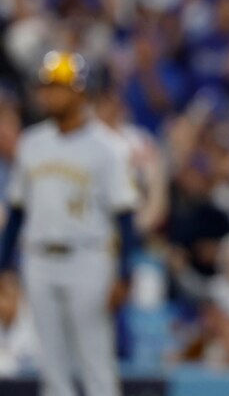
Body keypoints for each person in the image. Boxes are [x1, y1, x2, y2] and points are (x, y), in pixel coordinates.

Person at [0, 51, 138, 396]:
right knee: (52, 366)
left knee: (96, 364)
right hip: (39, 259)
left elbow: (125, 216)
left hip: (88, 258)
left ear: (81, 92)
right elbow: (17, 212)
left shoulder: (109, 147)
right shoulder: (32, 143)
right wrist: (3, 266)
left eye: (58, 87)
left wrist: (124, 274)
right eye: (46, 87)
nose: (49, 95)